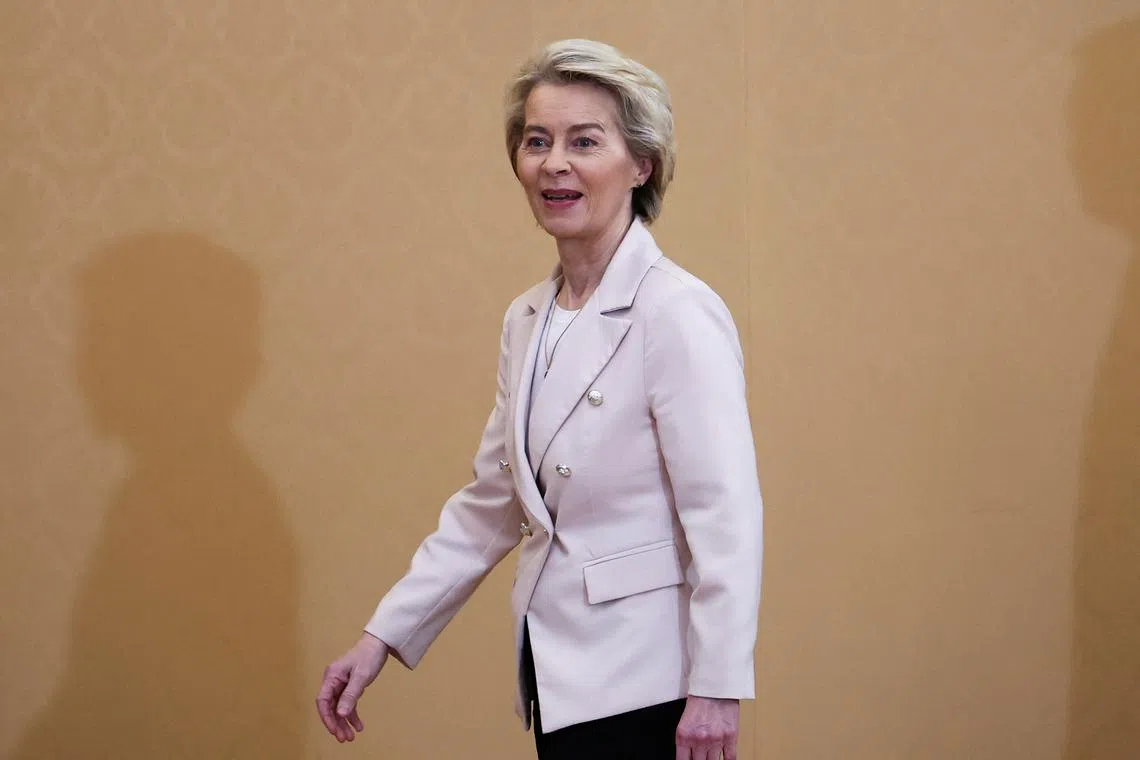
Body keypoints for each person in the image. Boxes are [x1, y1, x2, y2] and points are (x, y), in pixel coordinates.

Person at [316, 38, 764, 760]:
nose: (554, 163)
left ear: (640, 163)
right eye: (537, 141)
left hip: (654, 682)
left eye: (584, 141)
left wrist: (717, 685)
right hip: (556, 676)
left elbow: (725, 514)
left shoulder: (676, 311)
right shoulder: (528, 316)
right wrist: (381, 636)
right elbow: (494, 502)